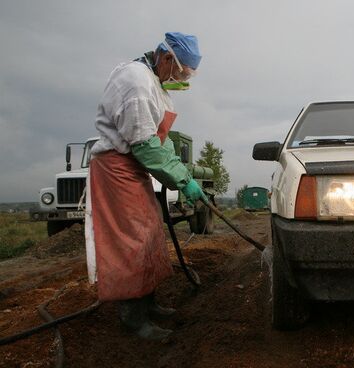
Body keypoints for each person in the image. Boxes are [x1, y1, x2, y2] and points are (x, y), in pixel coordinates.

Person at [84, 32, 207, 340]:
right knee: (132, 241)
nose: (180, 79)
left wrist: (184, 173)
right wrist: (183, 181)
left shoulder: (152, 82)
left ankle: (148, 303)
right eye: (181, 73)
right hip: (117, 168)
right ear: (167, 58)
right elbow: (146, 145)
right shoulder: (137, 82)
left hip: (133, 167)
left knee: (150, 233)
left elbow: (158, 144)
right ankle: (133, 319)